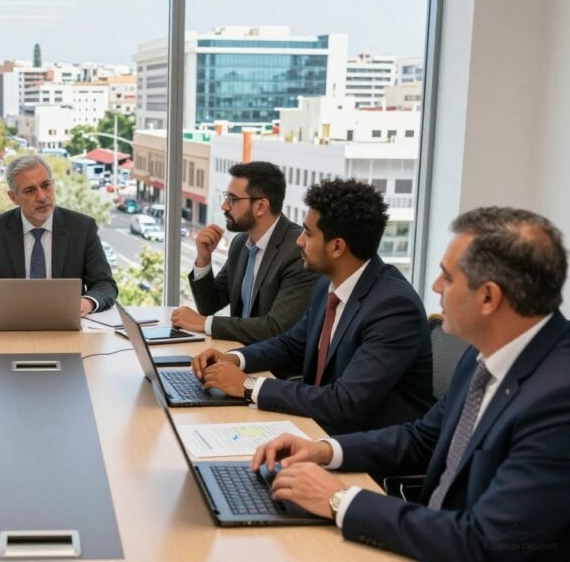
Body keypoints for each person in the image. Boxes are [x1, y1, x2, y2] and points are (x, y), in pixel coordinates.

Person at [251, 207, 570, 560]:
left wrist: (340, 499)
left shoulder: (558, 399)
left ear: (489, 297)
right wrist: (324, 450)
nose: (435, 288)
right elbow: (422, 437)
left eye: (447, 278)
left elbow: (484, 542)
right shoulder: (487, 353)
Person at [192, 178, 434, 435]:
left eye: (307, 234)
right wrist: (234, 359)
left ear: (337, 246)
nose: (299, 242)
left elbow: (344, 402)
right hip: (315, 427)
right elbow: (291, 345)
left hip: (362, 452)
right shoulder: (328, 286)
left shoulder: (393, 308)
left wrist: (249, 386)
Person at [172, 161, 318, 343]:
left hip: (273, 367)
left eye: (232, 199)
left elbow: (276, 328)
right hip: (235, 354)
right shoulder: (241, 243)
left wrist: (205, 324)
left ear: (261, 207)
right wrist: (204, 258)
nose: (224, 206)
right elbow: (209, 305)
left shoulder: (297, 250)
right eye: (226, 198)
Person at [0, 154, 118, 317]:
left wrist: (87, 302)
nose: (42, 197)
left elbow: (105, 285)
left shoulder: (82, 228)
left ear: (53, 185)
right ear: (13, 197)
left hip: (66, 325)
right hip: (10, 326)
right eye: (30, 190)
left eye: (46, 185)